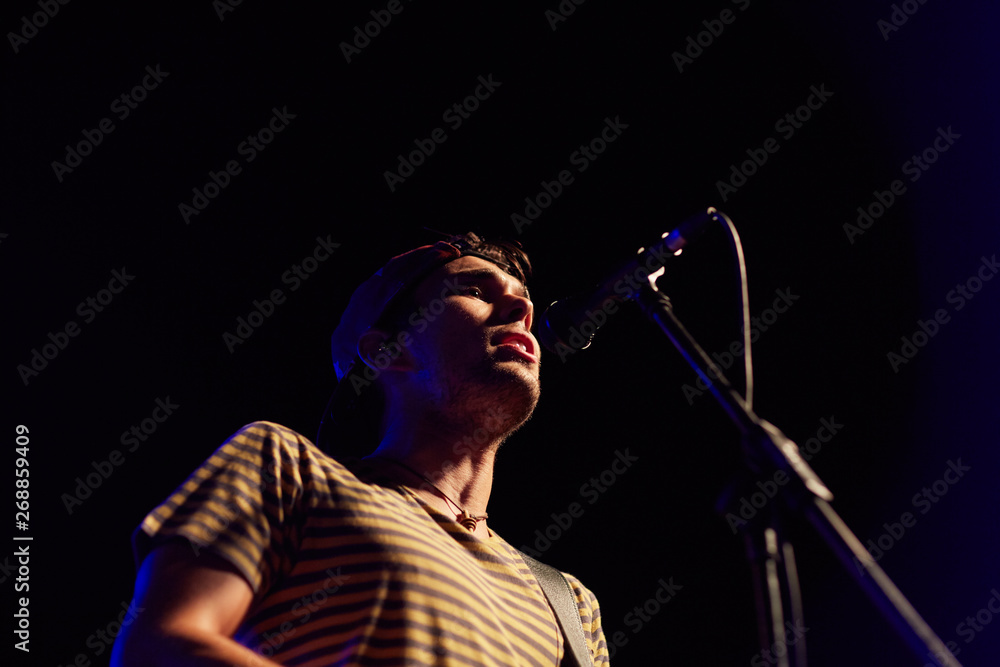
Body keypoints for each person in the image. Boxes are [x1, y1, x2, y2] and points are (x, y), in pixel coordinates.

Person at [111, 232, 609, 666]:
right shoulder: (285, 469)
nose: (523, 311)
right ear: (385, 350)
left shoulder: (570, 604)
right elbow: (158, 648)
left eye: (524, 300)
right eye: (475, 291)